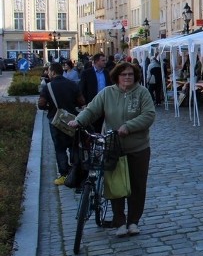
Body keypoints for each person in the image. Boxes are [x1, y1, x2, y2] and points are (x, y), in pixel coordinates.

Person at [69, 62, 156, 237]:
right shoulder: (107, 93)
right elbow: (92, 110)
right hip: (112, 146)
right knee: (115, 185)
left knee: (137, 186)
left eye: (130, 74)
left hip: (137, 147)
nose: (127, 77)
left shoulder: (142, 93)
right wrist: (78, 121)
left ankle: (133, 222)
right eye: (124, 74)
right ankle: (120, 222)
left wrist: (128, 126)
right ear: (117, 76)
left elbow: (149, 115)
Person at [38, 62, 85, 185]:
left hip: (55, 122)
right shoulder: (72, 85)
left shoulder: (47, 87)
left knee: (60, 149)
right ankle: (76, 173)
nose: (48, 73)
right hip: (72, 120)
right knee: (74, 146)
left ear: (53, 72)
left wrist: (51, 106)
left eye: (49, 71)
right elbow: (81, 102)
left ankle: (64, 175)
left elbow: (41, 105)